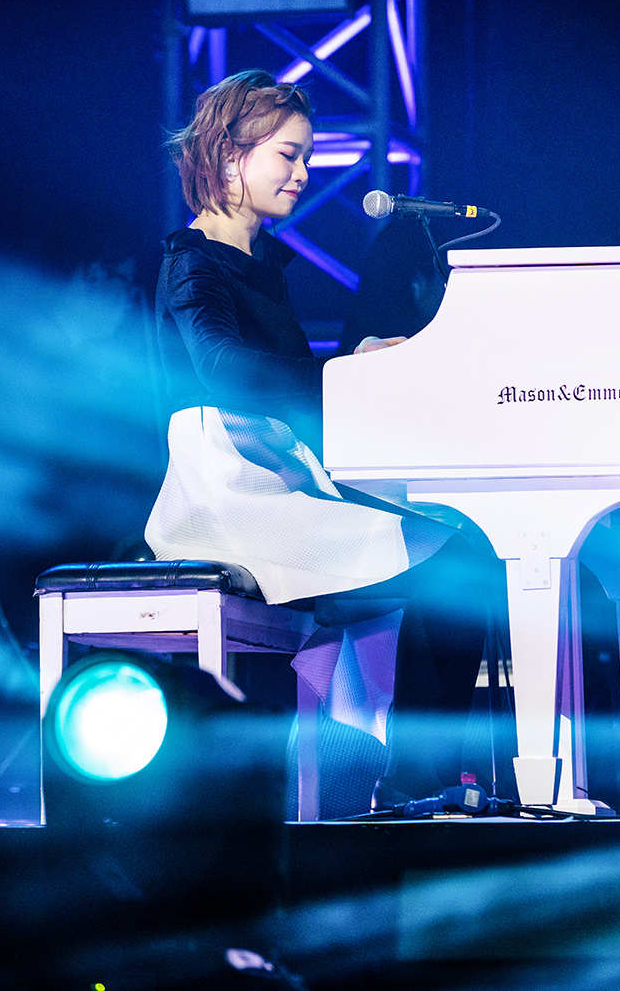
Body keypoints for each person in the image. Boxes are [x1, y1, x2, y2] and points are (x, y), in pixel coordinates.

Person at [144, 69, 503, 810]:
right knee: (448, 564)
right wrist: (346, 371)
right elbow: (228, 372)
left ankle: (391, 767)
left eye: (306, 157)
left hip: (277, 471)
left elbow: (293, 387)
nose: (304, 174)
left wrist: (365, 369)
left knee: (463, 551)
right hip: (227, 486)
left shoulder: (264, 262)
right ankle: (406, 774)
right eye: (289, 155)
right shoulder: (191, 259)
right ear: (230, 156)